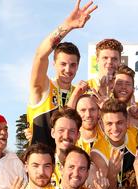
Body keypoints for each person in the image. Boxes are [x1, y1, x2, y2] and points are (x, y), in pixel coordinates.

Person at [27, 0, 97, 148]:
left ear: (78, 66)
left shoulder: (79, 94)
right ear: (54, 64)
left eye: (73, 65)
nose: (68, 69)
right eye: (63, 64)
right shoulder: (43, 87)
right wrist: (68, 26)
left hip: (68, 167)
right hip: (41, 165)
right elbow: (40, 55)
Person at [90, 98, 138, 189]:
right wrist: (111, 174)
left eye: (119, 123)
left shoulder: (135, 134)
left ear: (127, 121)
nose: (115, 128)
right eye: (109, 124)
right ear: (101, 124)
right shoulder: (97, 152)